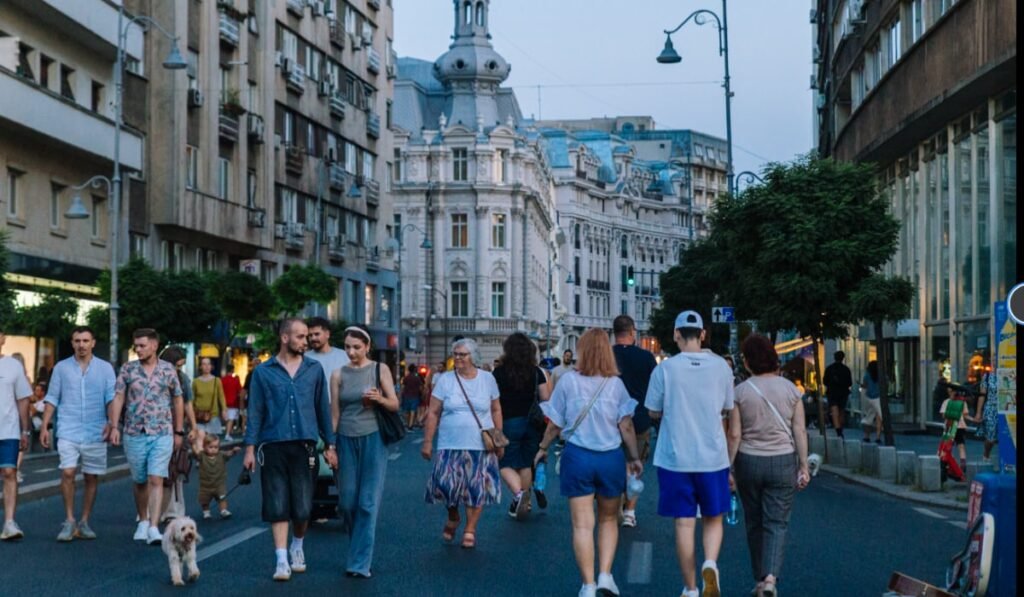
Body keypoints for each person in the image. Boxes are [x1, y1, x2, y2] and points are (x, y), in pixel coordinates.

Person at [534, 328, 642, 597]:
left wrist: (542, 448)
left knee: (583, 524)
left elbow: (555, 424)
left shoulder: (569, 382)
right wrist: (634, 458)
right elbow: (626, 426)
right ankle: (606, 575)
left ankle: (588, 585)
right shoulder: (615, 385)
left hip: (578, 456)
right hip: (610, 458)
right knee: (608, 520)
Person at [645, 310, 735, 597]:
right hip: (713, 456)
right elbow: (726, 407)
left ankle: (691, 587)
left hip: (675, 457)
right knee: (713, 517)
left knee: (684, 523)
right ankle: (710, 562)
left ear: (676, 334)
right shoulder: (722, 367)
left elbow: (653, 410)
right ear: (703, 334)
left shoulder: (665, 369)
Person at [243, 318, 337, 581]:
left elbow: (323, 409)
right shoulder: (263, 372)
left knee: (304, 507)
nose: (305, 342)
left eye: (307, 337)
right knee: (277, 503)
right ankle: (281, 559)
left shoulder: (314, 369)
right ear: (285, 338)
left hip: (305, 446)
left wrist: (330, 446)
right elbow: (255, 412)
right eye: (300, 337)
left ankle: (298, 544)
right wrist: (250, 450)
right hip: (273, 444)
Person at [727, 334, 811, 597]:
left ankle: (760, 580)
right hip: (783, 460)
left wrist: (728, 469)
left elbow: (735, 435)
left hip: (748, 461)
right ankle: (772, 578)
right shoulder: (791, 390)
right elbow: (799, 430)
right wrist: (804, 465)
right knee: (777, 522)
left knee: (754, 522)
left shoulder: (740, 392)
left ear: (749, 362)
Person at [329, 326, 399, 578]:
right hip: (345, 439)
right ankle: (358, 547)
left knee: (367, 504)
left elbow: (394, 403)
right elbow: (334, 413)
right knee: (347, 503)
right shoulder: (338, 375)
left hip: (374, 439)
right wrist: (330, 445)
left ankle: (359, 563)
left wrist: (379, 398)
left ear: (367, 346)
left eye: (356, 347)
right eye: (347, 347)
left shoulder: (380, 369)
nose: (351, 352)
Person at [421, 338, 503, 550]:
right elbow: (433, 412)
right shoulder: (446, 380)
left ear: (473, 357)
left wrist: (498, 437)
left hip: (480, 444)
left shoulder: (487, 379)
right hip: (449, 442)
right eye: (455, 354)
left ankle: (470, 530)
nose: (457, 358)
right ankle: (453, 516)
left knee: (475, 489)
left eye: (462, 354)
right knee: (446, 486)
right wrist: (428, 442)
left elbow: (495, 409)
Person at [39, 326, 117, 542]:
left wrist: (112, 423)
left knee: (92, 476)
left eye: (85, 340)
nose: (81, 345)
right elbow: (52, 397)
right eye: (77, 341)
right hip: (68, 428)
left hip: (96, 429)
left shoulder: (105, 369)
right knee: (68, 472)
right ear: (72, 343)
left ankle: (84, 521)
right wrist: (45, 426)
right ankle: (69, 520)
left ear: (93, 342)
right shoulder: (62, 368)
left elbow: (111, 397)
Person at [109, 328, 185, 545]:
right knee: (140, 480)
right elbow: (119, 397)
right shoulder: (128, 369)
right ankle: (142, 520)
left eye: (142, 345)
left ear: (154, 345)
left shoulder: (168, 370)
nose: (138, 349)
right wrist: (114, 426)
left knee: (156, 478)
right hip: (134, 432)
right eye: (136, 346)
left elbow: (178, 399)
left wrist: (179, 430)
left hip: (162, 431)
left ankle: (153, 526)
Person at [492, 332, 550, 520]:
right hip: (532, 423)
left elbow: (492, 400)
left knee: (504, 462)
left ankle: (519, 494)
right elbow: (546, 399)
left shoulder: (499, 372)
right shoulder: (536, 372)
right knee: (526, 463)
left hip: (508, 421)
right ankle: (526, 501)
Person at [611, 315, 657, 529]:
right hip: (639, 418)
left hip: (609, 419)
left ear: (614, 333)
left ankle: (614, 504)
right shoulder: (646, 357)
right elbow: (655, 389)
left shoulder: (607, 356)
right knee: (635, 464)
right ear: (632, 333)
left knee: (613, 463)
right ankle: (629, 511)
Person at [158, 345, 199, 523]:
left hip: (176, 426)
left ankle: (172, 510)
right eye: (177, 365)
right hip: (158, 426)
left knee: (175, 468)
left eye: (181, 366)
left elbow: (188, 403)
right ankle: (154, 510)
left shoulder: (182, 379)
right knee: (156, 470)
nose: (179, 369)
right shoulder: (156, 376)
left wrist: (194, 427)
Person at [0, 328, 32, 540]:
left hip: (8, 429)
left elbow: (23, 399)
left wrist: (25, 430)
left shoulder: (13, 365)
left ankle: (9, 522)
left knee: (9, 473)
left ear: (2, 339)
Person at [193, 433, 240, 520]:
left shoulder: (221, 455)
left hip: (219, 483)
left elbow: (228, 454)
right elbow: (195, 453)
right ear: (204, 447)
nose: (213, 449)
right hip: (205, 485)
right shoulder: (202, 456)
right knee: (204, 500)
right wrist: (193, 444)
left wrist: (233, 451)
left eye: (216, 447)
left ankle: (223, 510)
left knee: (222, 497)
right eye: (210, 447)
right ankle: (206, 512)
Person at [306, 317, 350, 394]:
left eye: (317, 334)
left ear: (327, 334)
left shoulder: (343, 356)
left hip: (339, 404)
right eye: (310, 335)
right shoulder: (305, 358)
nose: (313, 338)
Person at [192, 357, 227, 437]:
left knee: (212, 442)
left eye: (209, 364)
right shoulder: (196, 382)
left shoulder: (216, 380)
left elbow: (221, 397)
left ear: (211, 366)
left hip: (213, 415)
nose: (207, 366)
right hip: (199, 416)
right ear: (200, 367)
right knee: (200, 440)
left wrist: (224, 410)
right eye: (204, 364)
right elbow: (192, 399)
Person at [822, 351, 852, 438]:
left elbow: (825, 381)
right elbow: (849, 383)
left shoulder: (829, 369)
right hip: (843, 393)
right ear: (843, 358)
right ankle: (840, 428)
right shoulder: (846, 369)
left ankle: (838, 431)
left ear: (834, 358)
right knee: (841, 410)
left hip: (832, 393)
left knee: (834, 411)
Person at [972, 370, 999, 462]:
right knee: (990, 438)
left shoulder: (1011, 373)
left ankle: (1008, 461)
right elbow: (982, 395)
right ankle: (986, 454)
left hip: (1007, 409)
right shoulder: (987, 377)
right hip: (991, 409)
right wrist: (978, 412)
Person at [940, 385, 969, 471]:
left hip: (951, 426)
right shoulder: (962, 402)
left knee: (949, 445)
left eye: (951, 391)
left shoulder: (947, 402)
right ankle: (962, 462)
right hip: (959, 426)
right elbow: (965, 415)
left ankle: (947, 463)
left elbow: (943, 415)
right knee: (960, 445)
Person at [859, 360, 883, 444]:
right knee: (879, 418)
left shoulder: (866, 375)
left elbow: (865, 386)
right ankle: (878, 436)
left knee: (869, 417)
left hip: (869, 398)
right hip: (879, 398)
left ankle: (867, 436)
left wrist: (860, 384)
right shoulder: (881, 375)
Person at [221, 364, 242, 441]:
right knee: (231, 419)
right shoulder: (235, 380)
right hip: (233, 403)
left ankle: (227, 432)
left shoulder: (222, 380)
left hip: (224, 402)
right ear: (233, 370)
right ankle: (227, 434)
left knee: (227, 419)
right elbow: (239, 391)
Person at [400, 365, 424, 430]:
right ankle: (410, 425)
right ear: (414, 370)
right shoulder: (417, 378)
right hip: (415, 396)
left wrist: (401, 395)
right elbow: (420, 388)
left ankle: (408, 424)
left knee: (407, 411)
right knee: (413, 411)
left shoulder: (406, 377)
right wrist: (422, 394)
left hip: (406, 396)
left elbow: (402, 387)